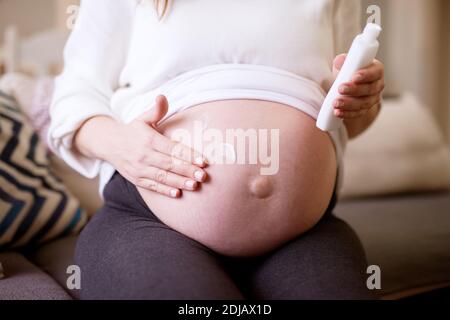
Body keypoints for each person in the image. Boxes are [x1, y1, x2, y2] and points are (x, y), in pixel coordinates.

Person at [48, 0, 384, 299]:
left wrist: (363, 101)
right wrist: (121, 145)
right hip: (149, 223)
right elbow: (73, 95)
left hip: (304, 232)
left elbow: (347, 122)